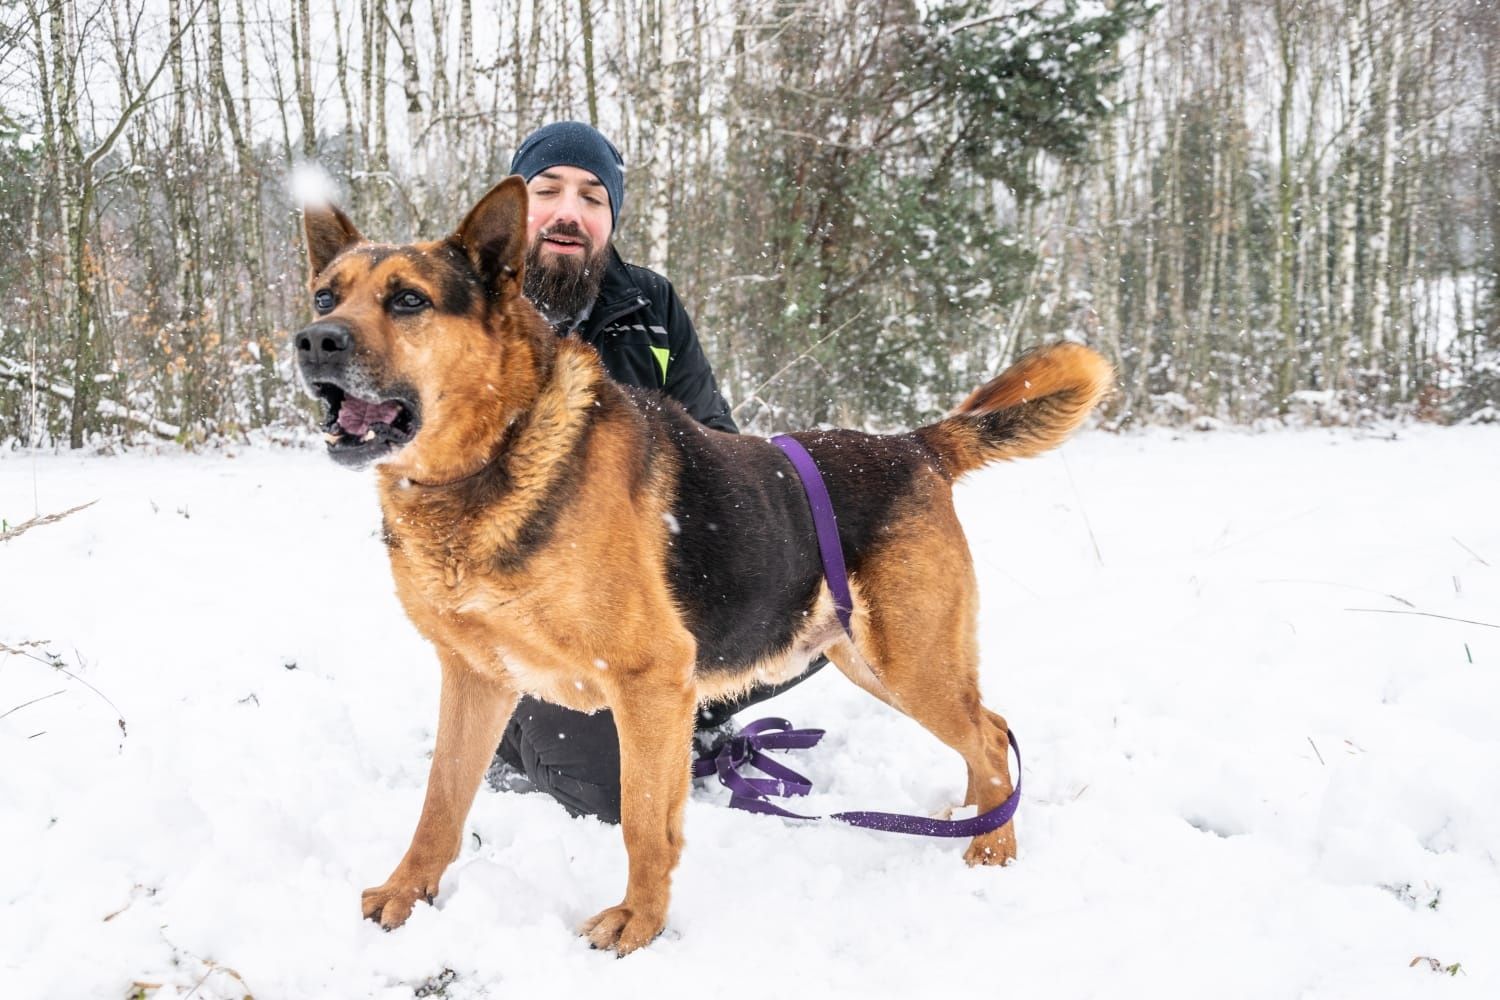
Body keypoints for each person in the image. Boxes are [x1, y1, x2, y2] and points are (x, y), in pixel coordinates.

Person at [489, 121, 824, 822]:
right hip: (536, 620)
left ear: (611, 217)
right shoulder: (473, 308)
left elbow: (718, 441)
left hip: (645, 591)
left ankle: (676, 706)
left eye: (592, 196)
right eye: (547, 190)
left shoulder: (651, 304)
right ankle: (513, 732)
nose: (569, 211)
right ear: (516, 207)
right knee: (614, 794)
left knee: (822, 606)